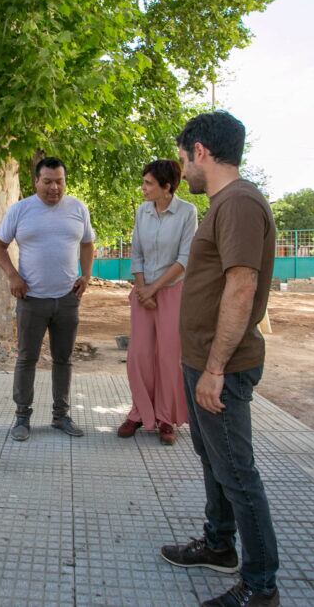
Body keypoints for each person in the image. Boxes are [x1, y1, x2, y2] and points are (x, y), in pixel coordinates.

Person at [159, 111, 279, 607]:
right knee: (213, 459)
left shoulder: (239, 203)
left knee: (237, 472)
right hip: (203, 361)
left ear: (200, 151)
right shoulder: (224, 203)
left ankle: (260, 586)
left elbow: (242, 285)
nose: (181, 168)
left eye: (184, 157)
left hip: (221, 366)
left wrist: (213, 369)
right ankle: (218, 544)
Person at [0, 158, 95, 441]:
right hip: (31, 299)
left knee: (64, 359)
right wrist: (12, 276)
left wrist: (86, 275)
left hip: (67, 299)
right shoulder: (21, 210)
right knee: (27, 358)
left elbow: (87, 244)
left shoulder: (77, 208)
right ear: (36, 180)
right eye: (47, 181)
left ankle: (60, 416)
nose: (54, 187)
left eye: (59, 181)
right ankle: (22, 417)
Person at [118, 159, 197, 446]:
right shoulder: (142, 212)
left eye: (149, 183)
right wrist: (142, 289)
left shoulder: (188, 212)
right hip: (142, 293)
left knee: (167, 357)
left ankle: (165, 418)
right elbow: (136, 253)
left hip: (172, 292)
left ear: (167, 187)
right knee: (139, 355)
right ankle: (139, 413)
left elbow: (185, 259)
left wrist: (155, 289)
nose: (143, 189)